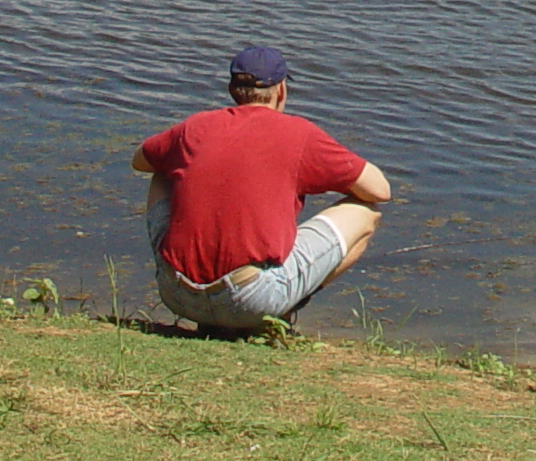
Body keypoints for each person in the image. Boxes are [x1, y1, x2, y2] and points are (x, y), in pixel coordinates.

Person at [135, 44, 392, 333]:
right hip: (251, 300)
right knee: (365, 212)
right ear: (281, 90)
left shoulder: (195, 126)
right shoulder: (299, 134)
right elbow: (380, 190)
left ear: (232, 89)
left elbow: (141, 160)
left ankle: (217, 312)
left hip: (177, 295)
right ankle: (277, 313)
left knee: (161, 170)